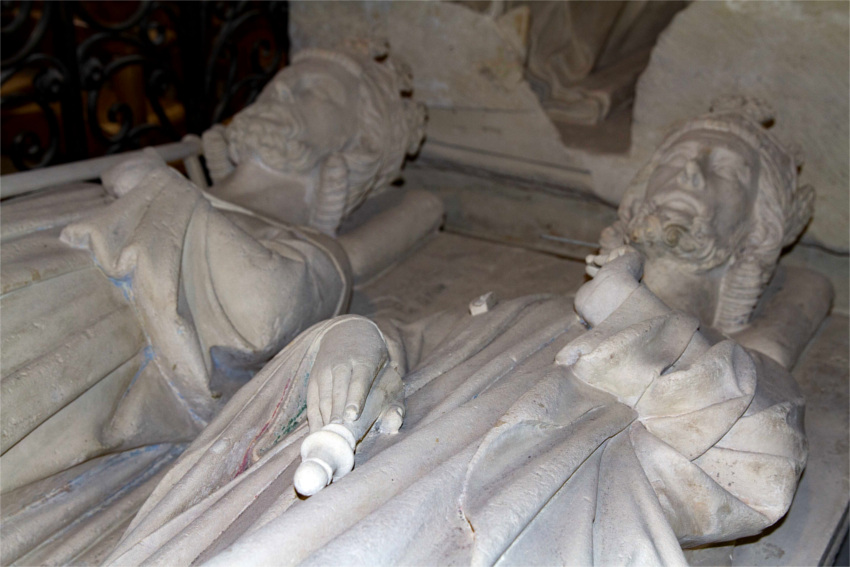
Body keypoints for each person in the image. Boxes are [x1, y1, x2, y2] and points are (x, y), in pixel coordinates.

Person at [105, 100, 830, 566]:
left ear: (755, 230)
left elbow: (757, 467)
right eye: (677, 159)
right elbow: (408, 343)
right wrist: (351, 342)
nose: (692, 173)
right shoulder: (522, 312)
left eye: (725, 169)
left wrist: (623, 304)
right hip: (348, 495)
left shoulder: (736, 372)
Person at [202, 41, 427, 236]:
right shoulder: (181, 190)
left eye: (319, 91)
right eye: (284, 78)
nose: (281, 89)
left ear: (363, 143)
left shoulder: (269, 245)